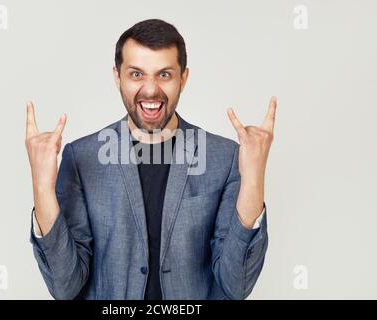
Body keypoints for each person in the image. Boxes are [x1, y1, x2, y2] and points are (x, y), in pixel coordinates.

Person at [25, 18, 276, 300]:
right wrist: (42, 187)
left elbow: (236, 284)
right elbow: (65, 286)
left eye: (164, 75)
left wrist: (254, 178)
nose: (151, 89)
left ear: (183, 78)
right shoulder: (80, 158)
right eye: (136, 74)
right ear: (117, 77)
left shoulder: (226, 157)